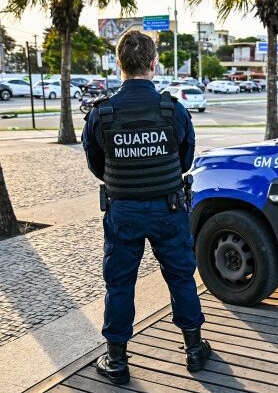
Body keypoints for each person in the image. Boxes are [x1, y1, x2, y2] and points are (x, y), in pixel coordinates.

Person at [82, 31, 211, 385]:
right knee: (181, 278)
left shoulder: (102, 113)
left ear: (119, 64)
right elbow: (185, 160)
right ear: (153, 64)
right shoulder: (173, 109)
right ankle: (195, 350)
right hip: (169, 210)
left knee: (119, 284)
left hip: (123, 212)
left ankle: (117, 360)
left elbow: (96, 165)